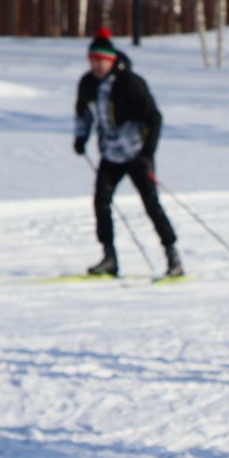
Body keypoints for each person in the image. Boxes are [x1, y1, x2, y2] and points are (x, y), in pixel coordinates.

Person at [72, 29, 182, 278]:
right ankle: (109, 257)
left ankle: (173, 257)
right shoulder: (88, 83)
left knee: (151, 203)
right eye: (93, 60)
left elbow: (154, 118)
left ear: (111, 59)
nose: (97, 65)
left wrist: (148, 152)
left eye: (101, 60)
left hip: (136, 153)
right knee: (101, 201)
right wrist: (81, 138)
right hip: (110, 154)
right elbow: (83, 113)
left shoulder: (131, 83)